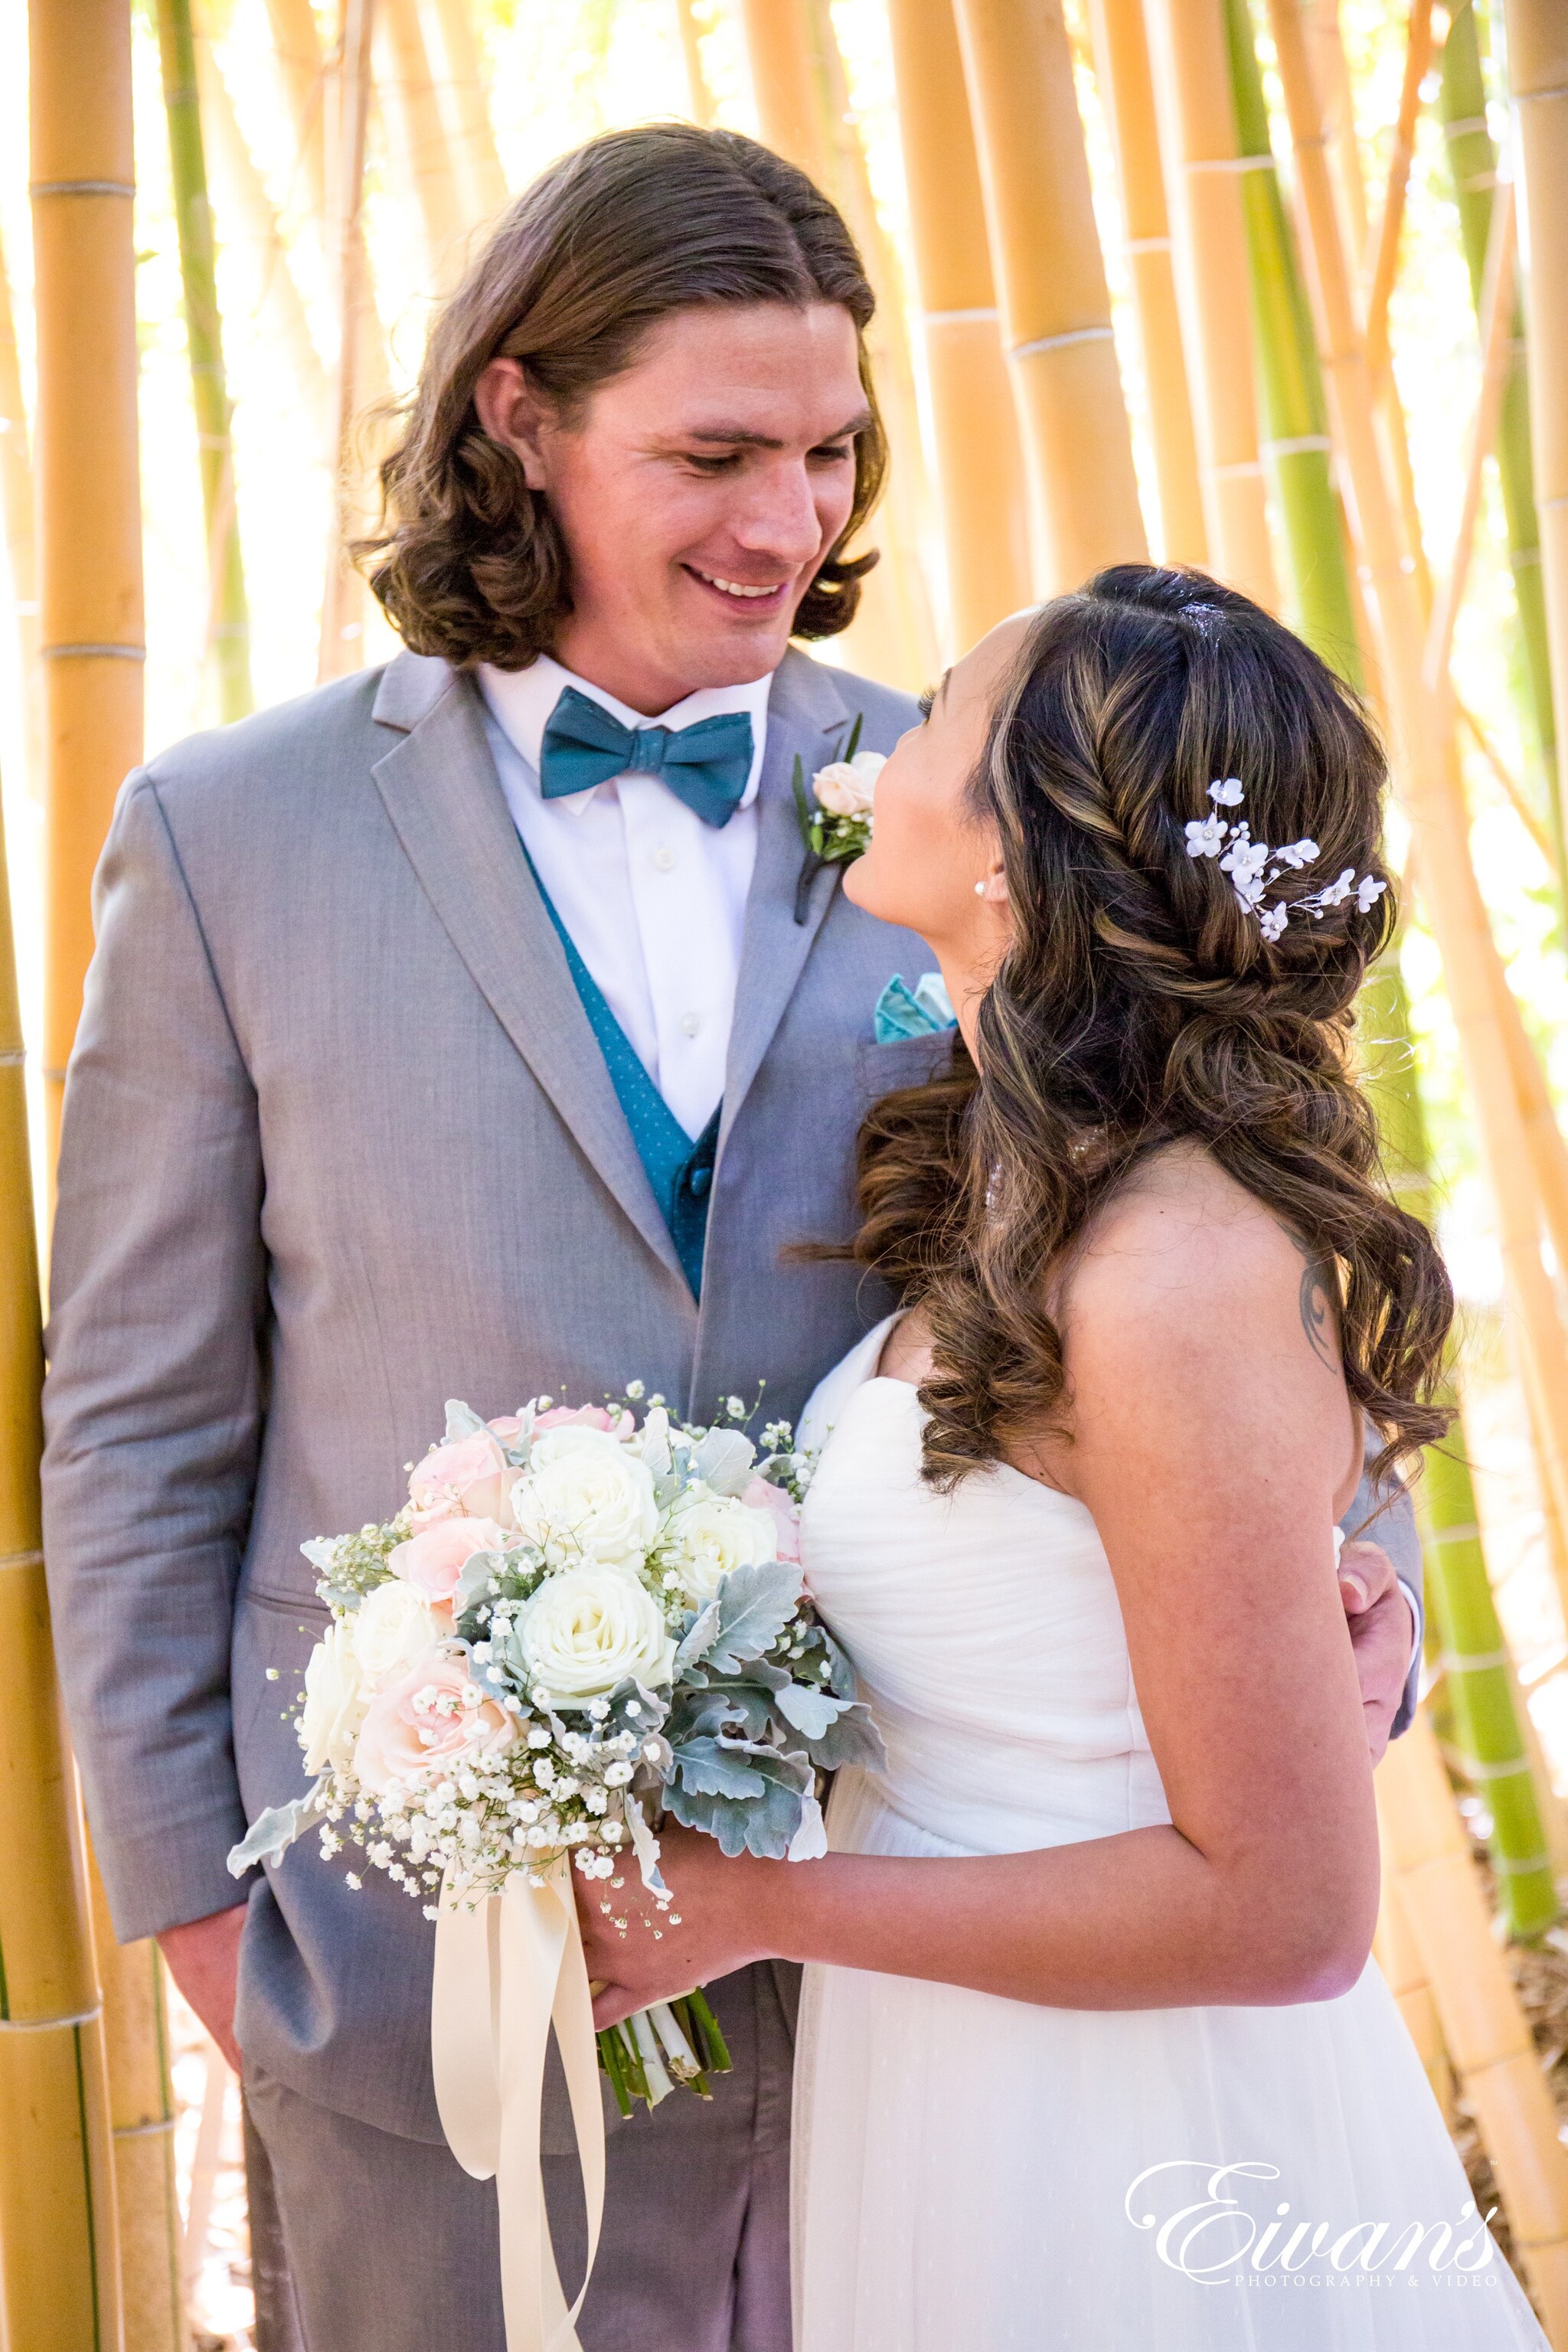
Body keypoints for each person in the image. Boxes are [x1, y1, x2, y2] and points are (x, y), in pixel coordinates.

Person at [41, 125, 1420, 2352]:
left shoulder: (982, 801)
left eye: (832, 452)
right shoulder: (230, 837)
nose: (791, 524)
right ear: (522, 414)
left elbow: (1241, 1195)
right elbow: (134, 1423)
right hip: (421, 1981)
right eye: (716, 452)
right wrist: (209, 1917)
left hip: (934, 1978)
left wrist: (1364, 1601)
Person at [577, 569, 1540, 2349]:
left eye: (941, 712)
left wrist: (753, 1911)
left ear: (1020, 851)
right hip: (967, 2073)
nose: (889, 737)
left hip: (1129, 2132)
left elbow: (1285, 1915)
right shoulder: (1048, 1186)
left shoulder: (1168, 1268)